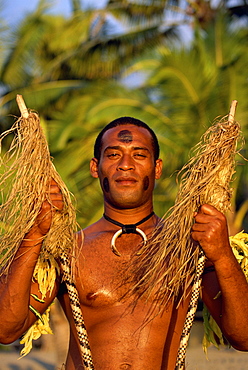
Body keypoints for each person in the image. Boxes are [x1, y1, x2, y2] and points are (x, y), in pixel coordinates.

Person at [0, 116, 248, 370]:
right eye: (114, 155)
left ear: (157, 167)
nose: (126, 165)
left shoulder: (188, 250)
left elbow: (244, 338)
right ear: (96, 167)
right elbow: (6, 330)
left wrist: (223, 255)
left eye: (139, 155)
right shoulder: (68, 250)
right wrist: (34, 234)